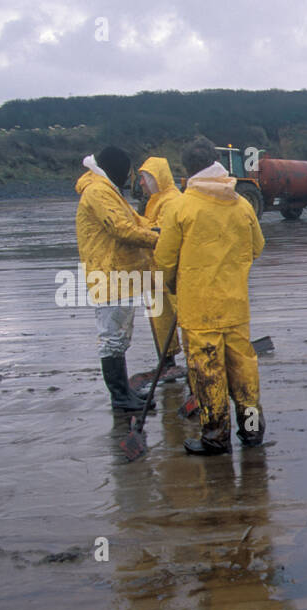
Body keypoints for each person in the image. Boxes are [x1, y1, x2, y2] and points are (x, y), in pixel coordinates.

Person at [154, 137, 266, 455]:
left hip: (198, 306)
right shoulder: (242, 205)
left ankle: (216, 436)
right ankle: (252, 431)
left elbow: (163, 260)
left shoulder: (180, 207)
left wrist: (174, 283)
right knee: (243, 366)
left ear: (187, 169)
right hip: (235, 304)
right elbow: (257, 247)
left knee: (207, 371)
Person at [75, 145, 159, 413]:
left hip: (118, 274)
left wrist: (156, 227)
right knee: (112, 339)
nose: (130, 177)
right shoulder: (98, 192)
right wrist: (160, 238)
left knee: (119, 339)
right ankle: (120, 398)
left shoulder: (107, 189)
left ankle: (123, 394)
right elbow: (122, 229)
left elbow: (134, 221)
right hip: (108, 275)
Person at [137, 157, 184, 381]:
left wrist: (136, 224)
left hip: (171, 271)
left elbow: (164, 234)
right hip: (155, 271)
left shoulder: (172, 200)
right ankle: (167, 362)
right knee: (161, 318)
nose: (141, 183)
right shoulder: (155, 201)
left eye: (145, 178)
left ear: (158, 178)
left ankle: (202, 356)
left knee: (182, 315)